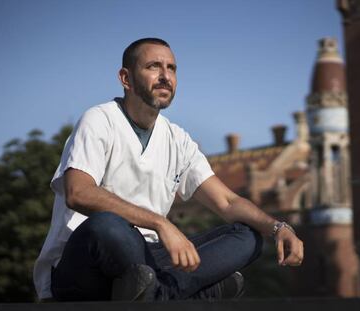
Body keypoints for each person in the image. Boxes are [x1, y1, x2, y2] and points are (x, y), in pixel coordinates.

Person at [33, 38, 304, 302]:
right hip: (86, 264)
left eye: (171, 68)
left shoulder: (178, 139)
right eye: (153, 66)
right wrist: (161, 224)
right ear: (125, 78)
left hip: (149, 263)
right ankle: (190, 291)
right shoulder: (99, 120)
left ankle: (156, 292)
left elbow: (228, 201)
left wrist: (278, 227)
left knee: (248, 236)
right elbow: (78, 193)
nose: (165, 76)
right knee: (109, 224)